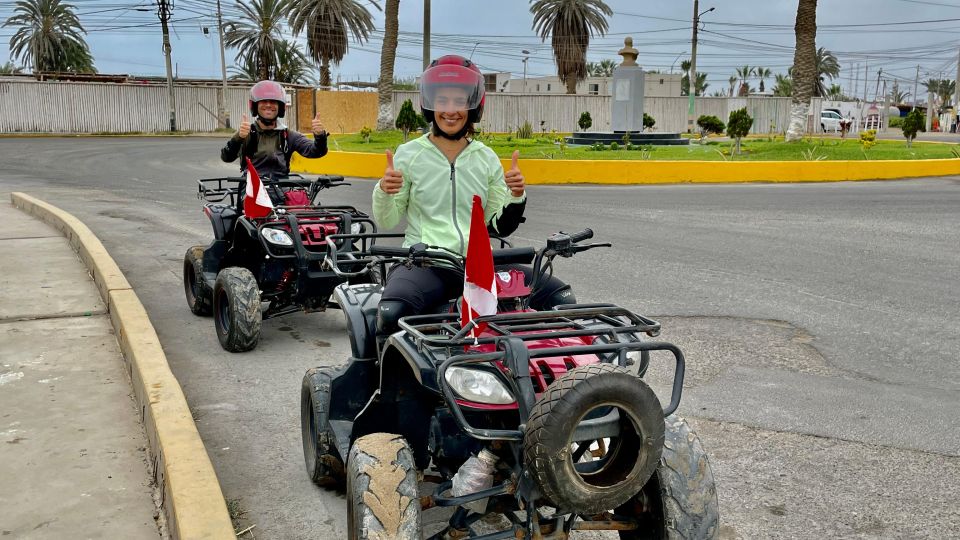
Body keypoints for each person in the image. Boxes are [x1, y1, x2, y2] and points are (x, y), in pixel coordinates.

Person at [372, 55, 575, 341]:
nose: (451, 110)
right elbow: (386, 218)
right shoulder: (409, 155)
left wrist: (517, 196)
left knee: (560, 296)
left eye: (460, 101)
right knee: (392, 312)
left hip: (479, 265)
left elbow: (499, 226)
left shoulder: (485, 158)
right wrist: (385, 189)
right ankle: (383, 380)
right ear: (429, 104)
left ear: (474, 105)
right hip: (427, 263)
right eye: (442, 101)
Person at [221, 79, 329, 182]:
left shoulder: (287, 135)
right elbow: (226, 157)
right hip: (252, 189)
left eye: (273, 102)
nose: (268, 105)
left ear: (280, 107)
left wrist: (320, 136)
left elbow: (316, 152)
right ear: (255, 105)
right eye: (264, 101)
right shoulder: (246, 133)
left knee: (302, 200)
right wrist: (238, 138)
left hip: (281, 187)